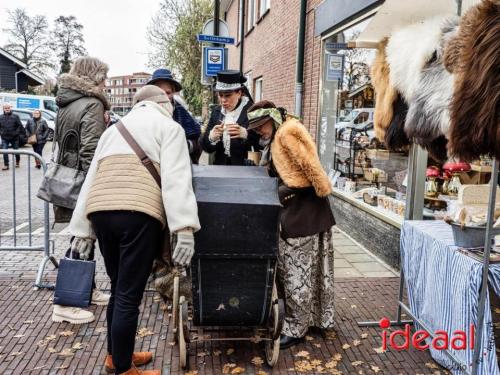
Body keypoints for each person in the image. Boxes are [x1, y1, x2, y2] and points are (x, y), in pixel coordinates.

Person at [69, 85, 200, 375]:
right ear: (164, 104)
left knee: (118, 288)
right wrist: (185, 228)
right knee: (129, 294)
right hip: (138, 214)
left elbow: (92, 178)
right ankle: (124, 369)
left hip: (102, 212)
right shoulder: (169, 128)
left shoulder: (113, 131)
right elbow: (176, 180)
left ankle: (115, 357)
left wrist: (82, 230)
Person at [247, 100, 336, 349]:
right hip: (300, 214)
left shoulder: (287, 132)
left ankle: (297, 329)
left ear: (272, 119)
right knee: (305, 272)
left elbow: (310, 173)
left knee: (298, 274)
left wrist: (277, 192)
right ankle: (315, 319)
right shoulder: (278, 135)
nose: (258, 132)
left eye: (260, 126)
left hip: (303, 216)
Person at [51, 56, 111, 324]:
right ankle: (65, 302)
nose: (106, 83)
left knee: (83, 235)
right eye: (104, 77)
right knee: (81, 236)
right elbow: (91, 148)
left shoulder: (68, 101)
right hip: (84, 180)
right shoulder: (92, 103)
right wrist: (96, 184)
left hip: (66, 175)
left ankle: (87, 289)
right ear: (94, 77)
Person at [201, 70, 259, 165]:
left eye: (228, 95)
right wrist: (211, 137)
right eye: (220, 95)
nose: (223, 100)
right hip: (220, 170)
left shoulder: (252, 111)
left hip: (245, 171)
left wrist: (246, 134)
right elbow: (206, 147)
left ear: (239, 93)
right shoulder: (216, 112)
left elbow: (263, 143)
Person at [147, 68, 202, 164]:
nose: (163, 96)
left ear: (173, 93)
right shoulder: (142, 112)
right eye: (159, 92)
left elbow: (196, 142)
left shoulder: (181, 113)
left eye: (167, 93)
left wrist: (184, 146)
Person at [0, 104, 24, 170]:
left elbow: (20, 126)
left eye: (8, 108)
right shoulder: (0, 117)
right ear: (3, 109)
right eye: (5, 108)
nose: (7, 109)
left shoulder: (15, 116)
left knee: (16, 151)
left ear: (10, 108)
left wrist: (16, 133)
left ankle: (17, 161)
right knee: (5, 151)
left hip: (14, 138)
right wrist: (1, 133)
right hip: (4, 138)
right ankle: (6, 165)